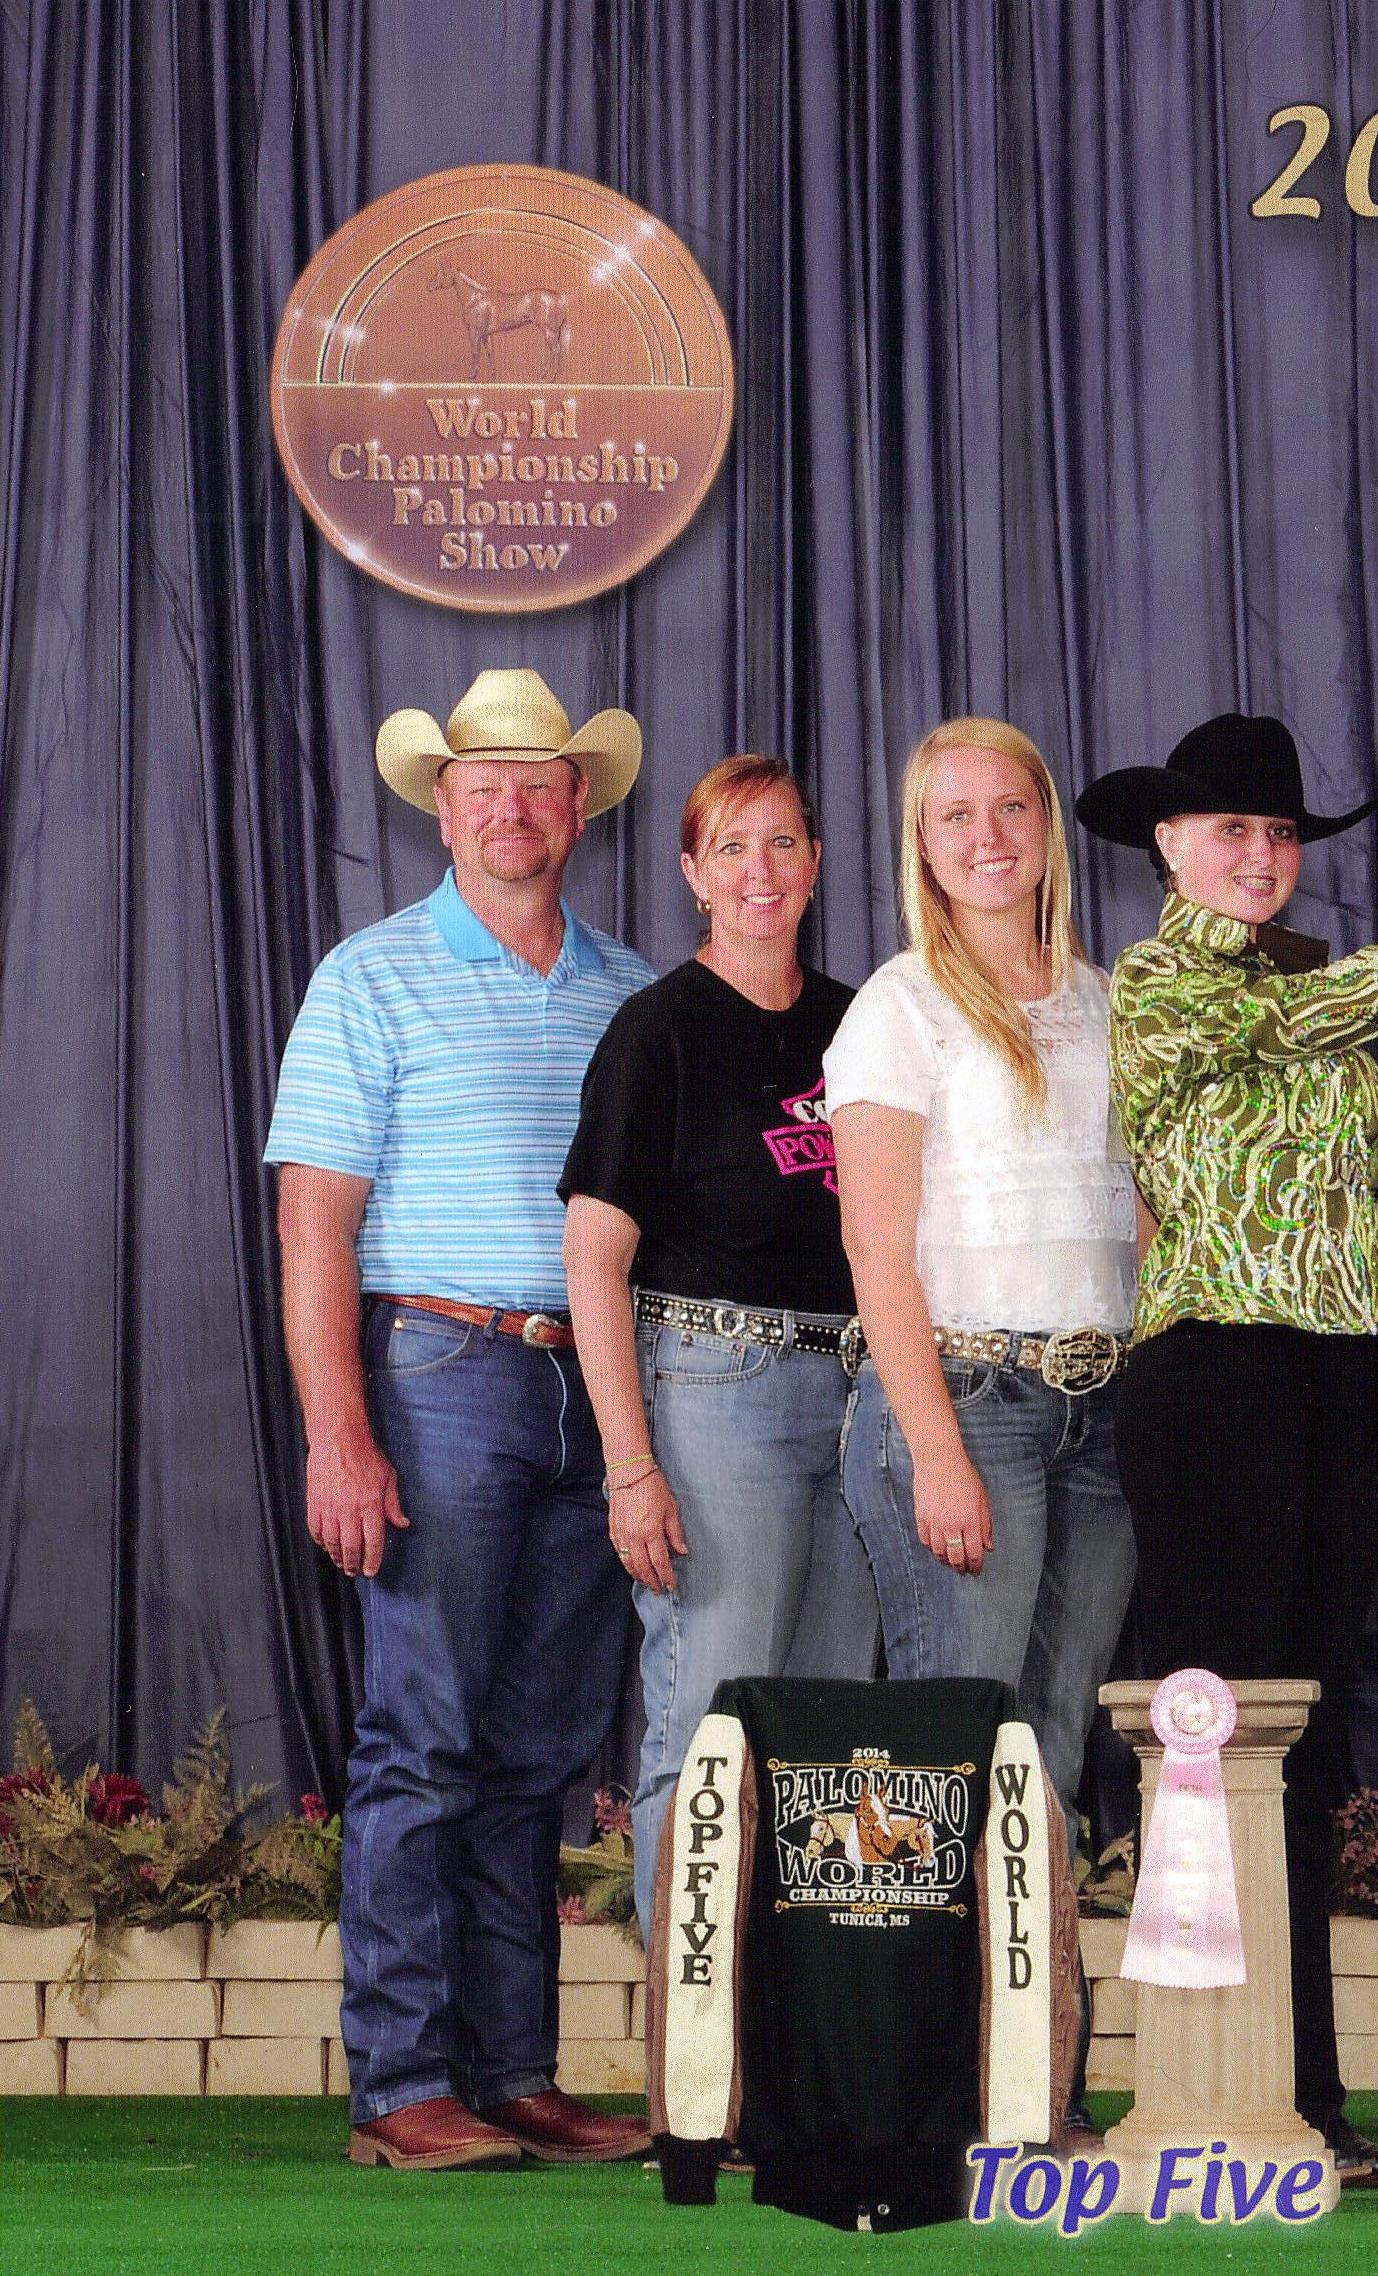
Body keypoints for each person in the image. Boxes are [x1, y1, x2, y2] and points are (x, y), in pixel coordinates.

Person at [1074, 711, 1378, 2188]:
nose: (1260, 855)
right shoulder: (1165, 982)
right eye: (1231, 829)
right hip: (1218, 1381)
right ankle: (1200, 2085)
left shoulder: (1316, 999)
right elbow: (1305, 1029)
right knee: (1217, 1733)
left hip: (1340, 1380)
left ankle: (1304, 2099)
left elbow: (1313, 1205)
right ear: (1166, 847)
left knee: (1297, 1745)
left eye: (1278, 835)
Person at [264, 668, 657, 2172]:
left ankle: (513, 2072)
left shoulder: (632, 990)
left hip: (594, 1387)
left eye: (539, 782)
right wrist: (337, 1432)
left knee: (536, 1751)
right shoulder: (367, 979)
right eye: (482, 782)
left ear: (577, 809)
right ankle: (403, 2082)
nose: (511, 805)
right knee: (422, 1738)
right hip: (439, 1367)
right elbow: (316, 1230)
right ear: (443, 806)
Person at [823, 717, 1139, 2136]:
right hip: (967, 1405)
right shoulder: (898, 1008)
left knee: (1053, 1754)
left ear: (1046, 825)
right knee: (968, 1760)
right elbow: (876, 1253)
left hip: (1102, 1410)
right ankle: (937, 2090)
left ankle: (1032, 2090)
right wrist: (936, 1445)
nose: (986, 835)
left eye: (1008, 807)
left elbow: (1146, 1211)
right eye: (954, 816)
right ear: (921, 845)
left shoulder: (1102, 999)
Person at [558, 753, 879, 1940]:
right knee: (712, 1717)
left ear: (816, 863)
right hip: (713, 1385)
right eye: (732, 848)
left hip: (860, 1394)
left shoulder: (863, 1026)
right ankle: (695, 2065)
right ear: (693, 872)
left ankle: (810, 2049)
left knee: (836, 1723)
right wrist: (629, 1462)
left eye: (783, 843)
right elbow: (594, 1259)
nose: (761, 870)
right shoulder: (658, 1032)